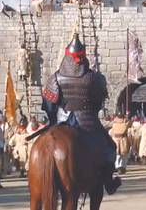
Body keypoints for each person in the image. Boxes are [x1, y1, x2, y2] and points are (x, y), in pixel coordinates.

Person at [42, 33, 121, 194]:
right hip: (87, 122)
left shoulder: (55, 78)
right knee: (110, 147)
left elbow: (49, 105)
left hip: (61, 121)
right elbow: (98, 102)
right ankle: (108, 181)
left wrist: (52, 122)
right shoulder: (94, 78)